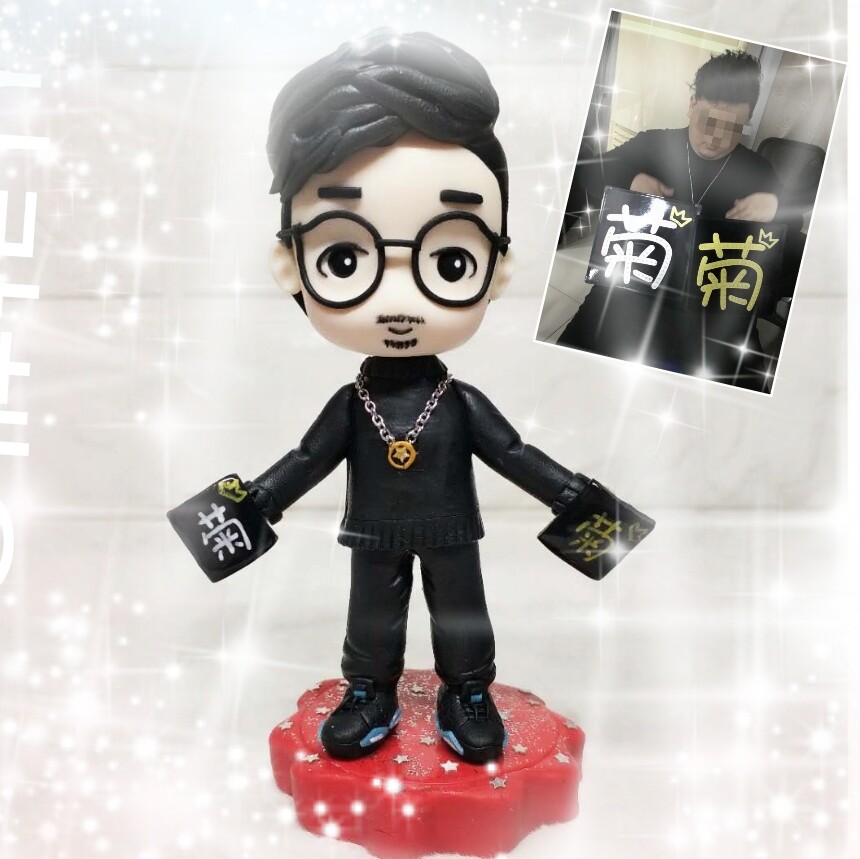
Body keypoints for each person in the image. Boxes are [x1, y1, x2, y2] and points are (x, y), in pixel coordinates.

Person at [176, 29, 602, 765]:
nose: (399, 299)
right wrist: (254, 503)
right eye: (345, 257)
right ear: (291, 264)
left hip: (452, 529)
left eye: (450, 259)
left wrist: (575, 500)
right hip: (373, 531)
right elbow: (304, 460)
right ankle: (368, 689)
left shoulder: (458, 400)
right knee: (371, 618)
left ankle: (468, 690)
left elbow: (514, 453)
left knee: (462, 613)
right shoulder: (353, 404)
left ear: (498, 270)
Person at [560, 50, 800, 390]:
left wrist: (777, 206)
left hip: (710, 308)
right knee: (572, 375)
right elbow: (589, 171)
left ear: (746, 120)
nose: (715, 137)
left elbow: (795, 232)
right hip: (634, 288)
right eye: (708, 121)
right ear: (692, 104)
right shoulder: (653, 143)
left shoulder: (759, 171)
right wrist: (631, 180)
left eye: (732, 127)